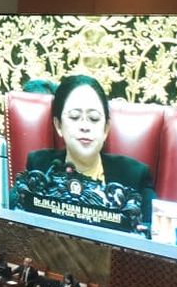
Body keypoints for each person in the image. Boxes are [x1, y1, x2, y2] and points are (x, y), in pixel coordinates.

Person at [25, 74, 155, 233]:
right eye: (75, 117)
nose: (85, 126)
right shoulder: (40, 167)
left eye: (94, 119)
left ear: (106, 129)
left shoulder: (134, 177)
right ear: (58, 125)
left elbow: (155, 233)